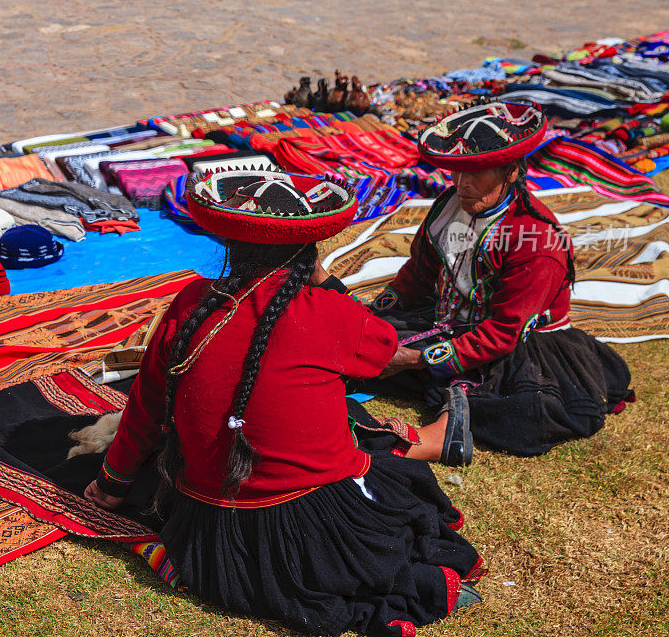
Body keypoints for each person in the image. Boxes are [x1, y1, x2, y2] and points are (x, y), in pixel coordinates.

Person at [84, 169, 484, 637]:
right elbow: (382, 345)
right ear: (308, 252)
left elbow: (146, 406)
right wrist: (328, 282)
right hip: (310, 528)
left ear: (230, 243)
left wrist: (113, 484)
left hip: (208, 535)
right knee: (386, 465)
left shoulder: (191, 301)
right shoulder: (326, 310)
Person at [366, 102, 633, 456]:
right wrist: (369, 316)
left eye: (476, 172)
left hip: (522, 345)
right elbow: (416, 277)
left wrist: (412, 359)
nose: (462, 183)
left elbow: (504, 333)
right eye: (456, 171)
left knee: (524, 407)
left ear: (510, 171)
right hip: (452, 321)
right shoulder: (448, 207)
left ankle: (447, 427)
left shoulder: (537, 240)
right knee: (367, 340)